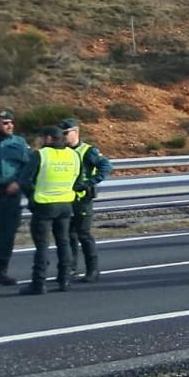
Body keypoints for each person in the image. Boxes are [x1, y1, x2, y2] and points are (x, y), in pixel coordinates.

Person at [18, 127, 85, 295]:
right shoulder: (73, 155)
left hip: (44, 204)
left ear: (48, 138)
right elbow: (78, 178)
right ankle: (65, 280)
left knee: (42, 245)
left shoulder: (41, 154)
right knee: (64, 242)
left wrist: (32, 197)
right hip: (65, 204)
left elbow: (25, 180)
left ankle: (38, 283)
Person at [58, 118, 113, 281]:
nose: (63, 137)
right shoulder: (62, 150)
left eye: (66, 133)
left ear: (75, 132)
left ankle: (93, 270)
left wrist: (89, 183)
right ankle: (71, 268)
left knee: (84, 234)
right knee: (69, 235)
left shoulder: (88, 151)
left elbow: (106, 166)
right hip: (67, 199)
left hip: (83, 200)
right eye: (61, 134)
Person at [0, 109, 30, 286]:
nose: (10, 126)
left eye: (11, 122)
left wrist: (18, 182)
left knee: (7, 234)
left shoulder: (19, 143)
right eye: (5, 123)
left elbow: (29, 166)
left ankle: (1, 272)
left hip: (9, 194)